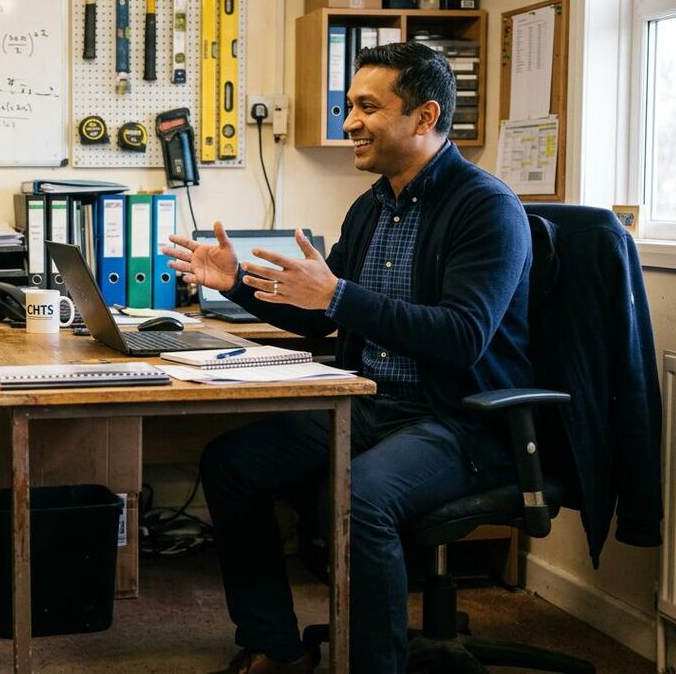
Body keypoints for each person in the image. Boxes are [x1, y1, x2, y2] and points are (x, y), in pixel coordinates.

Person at [165, 41, 534, 674]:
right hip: (367, 401)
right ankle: (275, 648)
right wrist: (237, 286)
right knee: (231, 463)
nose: (349, 123)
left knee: (359, 498)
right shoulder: (373, 205)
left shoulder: (485, 207)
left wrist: (339, 294)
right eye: (348, 105)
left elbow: (461, 336)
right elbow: (324, 310)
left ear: (424, 117)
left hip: (458, 419)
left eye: (367, 107)